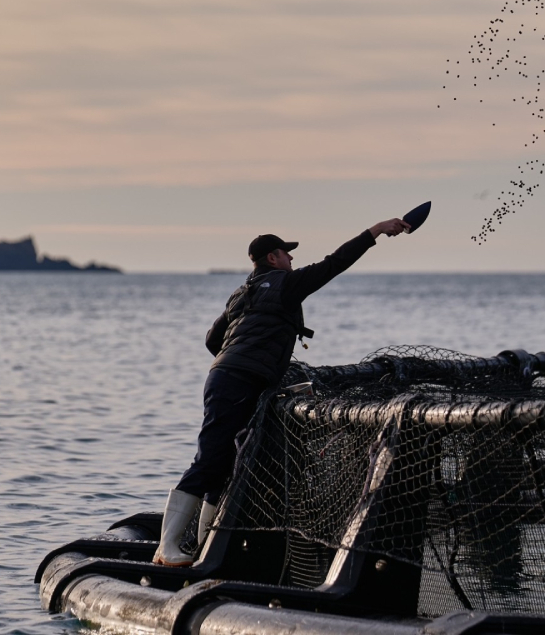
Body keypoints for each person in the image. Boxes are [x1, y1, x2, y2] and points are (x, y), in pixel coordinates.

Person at [152, 217, 412, 566]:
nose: (292, 260)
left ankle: (202, 547)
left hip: (225, 377)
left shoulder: (241, 293)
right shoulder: (285, 284)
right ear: (273, 258)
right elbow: (335, 263)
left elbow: (212, 340)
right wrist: (374, 232)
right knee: (211, 459)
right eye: (287, 255)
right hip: (239, 380)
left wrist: (240, 359)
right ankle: (166, 548)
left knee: (227, 463)